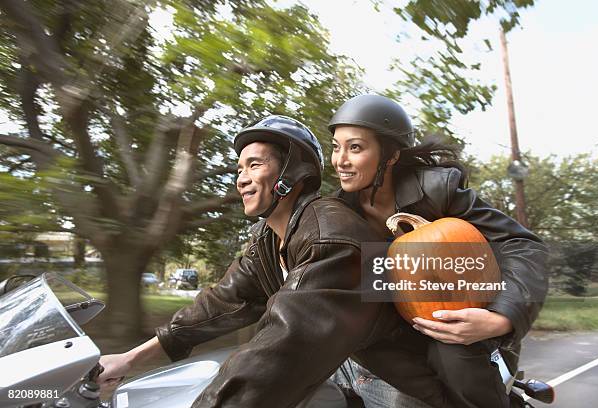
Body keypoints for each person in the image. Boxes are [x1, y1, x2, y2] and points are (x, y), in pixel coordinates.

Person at [96, 115, 454, 408]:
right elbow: (219, 303)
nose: (241, 179)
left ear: (293, 173)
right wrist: (129, 359)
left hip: (394, 384)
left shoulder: (332, 235)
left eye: (255, 165)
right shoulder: (269, 241)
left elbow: (283, 346)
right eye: (239, 168)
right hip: (346, 364)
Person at [328, 94, 549, 408]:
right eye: (336, 147)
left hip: (467, 332)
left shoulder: (438, 191)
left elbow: (522, 246)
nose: (340, 160)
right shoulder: (338, 213)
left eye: (355, 147)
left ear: (390, 156)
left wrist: (501, 318)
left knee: (453, 352)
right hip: (394, 335)